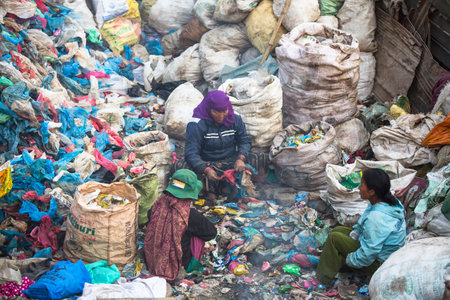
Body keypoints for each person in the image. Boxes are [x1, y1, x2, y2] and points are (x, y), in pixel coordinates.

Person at [316, 168, 406, 286]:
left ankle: (323, 279)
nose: (358, 187)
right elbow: (363, 223)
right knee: (339, 230)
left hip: (379, 263)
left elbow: (369, 253)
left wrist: (348, 261)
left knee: (334, 238)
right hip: (379, 249)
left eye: (362, 185)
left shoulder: (377, 218)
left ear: (372, 191)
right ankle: (333, 262)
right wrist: (355, 235)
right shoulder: (385, 201)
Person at [172, 90, 263, 201]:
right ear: (208, 109)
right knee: (179, 167)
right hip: (206, 163)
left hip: (230, 161)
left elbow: (244, 141)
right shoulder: (196, 124)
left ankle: (252, 189)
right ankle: (211, 190)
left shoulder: (235, 118)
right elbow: (191, 153)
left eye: (224, 111)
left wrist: (240, 158)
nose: (221, 116)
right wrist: (205, 169)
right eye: (216, 112)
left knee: (259, 157)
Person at [144, 169, 217, 282]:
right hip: (179, 265)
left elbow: (149, 217)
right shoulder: (189, 214)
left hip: (152, 260)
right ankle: (189, 266)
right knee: (197, 235)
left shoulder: (158, 204)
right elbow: (211, 233)